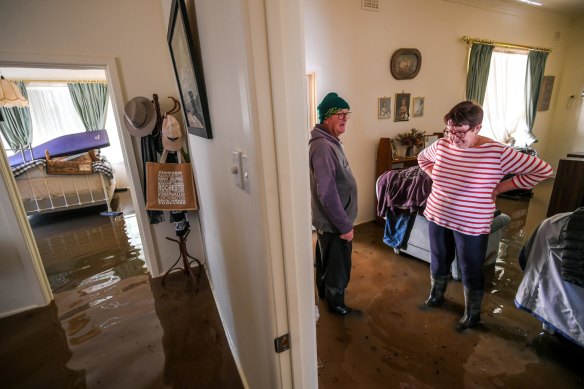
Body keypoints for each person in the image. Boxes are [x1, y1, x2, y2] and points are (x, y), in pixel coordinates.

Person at [417, 101, 552, 330]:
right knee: (439, 259)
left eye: (460, 132)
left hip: (471, 222)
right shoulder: (441, 145)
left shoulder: (497, 152)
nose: (453, 137)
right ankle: (436, 297)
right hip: (438, 214)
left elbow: (543, 170)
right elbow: (422, 160)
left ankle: (472, 315)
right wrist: (436, 177)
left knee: (470, 268)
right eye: (449, 130)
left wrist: (500, 188)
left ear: (477, 128)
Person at [309, 92, 358, 316]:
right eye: (340, 113)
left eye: (347, 113)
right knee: (337, 266)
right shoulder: (323, 147)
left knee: (326, 260)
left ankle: (326, 297)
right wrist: (344, 226)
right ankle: (337, 306)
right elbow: (327, 193)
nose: (344, 117)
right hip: (334, 223)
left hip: (330, 222)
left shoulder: (330, 142)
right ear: (326, 117)